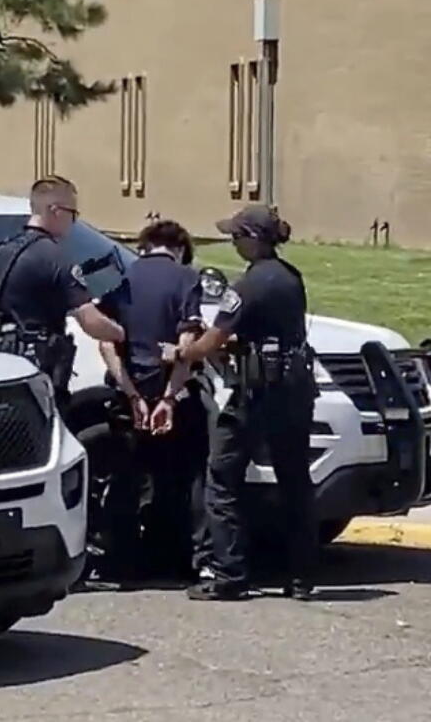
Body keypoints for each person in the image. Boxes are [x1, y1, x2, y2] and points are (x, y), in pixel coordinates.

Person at [165, 203, 320, 601]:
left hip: (257, 394)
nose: (232, 244)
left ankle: (229, 574)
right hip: (296, 391)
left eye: (235, 237)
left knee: (222, 478)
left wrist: (181, 354)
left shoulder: (247, 286)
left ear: (252, 239)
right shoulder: (290, 278)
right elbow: (270, 331)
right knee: (295, 482)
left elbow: (211, 341)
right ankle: (301, 578)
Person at [87, 220, 211, 584]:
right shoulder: (187, 278)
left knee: (126, 477)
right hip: (171, 390)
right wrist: (167, 400)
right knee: (187, 475)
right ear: (180, 248)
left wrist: (133, 394)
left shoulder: (123, 277)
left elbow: (107, 342)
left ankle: (121, 560)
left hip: (129, 393)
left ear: (145, 246)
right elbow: (186, 346)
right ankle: (183, 558)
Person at [0, 176, 124, 404]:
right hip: (33, 376)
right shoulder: (57, 260)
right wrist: (123, 334)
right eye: (73, 214)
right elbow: (90, 321)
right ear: (55, 210)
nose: (73, 222)